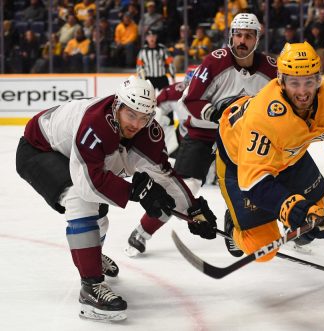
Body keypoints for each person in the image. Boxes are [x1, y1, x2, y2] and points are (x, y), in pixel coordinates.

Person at [15, 75, 217, 322]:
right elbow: (88, 182)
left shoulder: (147, 131)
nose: (136, 124)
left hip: (71, 151)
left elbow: (164, 175)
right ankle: (90, 289)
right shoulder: (95, 123)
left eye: (144, 118)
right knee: (81, 200)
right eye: (131, 115)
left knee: (100, 215)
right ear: (116, 107)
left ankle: (91, 254)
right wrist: (134, 191)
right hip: (39, 149)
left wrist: (193, 210)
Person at [125, 13, 277, 257]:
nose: (242, 41)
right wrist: (216, 114)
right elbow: (191, 98)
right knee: (184, 188)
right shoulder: (215, 62)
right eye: (238, 34)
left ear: (257, 39)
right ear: (230, 36)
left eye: (248, 36)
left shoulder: (271, 68)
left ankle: (283, 228)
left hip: (242, 138)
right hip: (204, 135)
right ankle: (142, 231)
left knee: (253, 184)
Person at [216, 41, 324, 261]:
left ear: (318, 79)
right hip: (240, 163)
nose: (303, 92)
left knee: (314, 212)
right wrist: (293, 209)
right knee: (263, 250)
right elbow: (253, 179)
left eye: (309, 81)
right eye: (294, 82)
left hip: (291, 155)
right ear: (281, 81)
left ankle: (294, 227)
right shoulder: (263, 117)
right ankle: (233, 229)